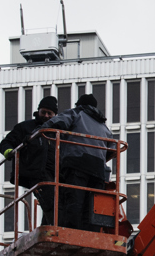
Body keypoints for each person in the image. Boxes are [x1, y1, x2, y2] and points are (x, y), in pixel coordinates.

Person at [40, 94, 112, 230]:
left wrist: (36, 133)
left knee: (74, 200)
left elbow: (55, 124)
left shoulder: (76, 113)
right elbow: (111, 149)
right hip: (98, 170)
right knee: (92, 206)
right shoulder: (103, 126)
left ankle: (70, 231)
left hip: (77, 163)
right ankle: (91, 234)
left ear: (79, 104)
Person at [0, 96, 59, 225]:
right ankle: (51, 229)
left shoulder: (57, 132)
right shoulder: (26, 127)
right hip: (34, 173)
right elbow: (5, 143)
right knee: (51, 202)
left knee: (55, 202)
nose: (46, 116)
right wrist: (9, 151)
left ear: (55, 115)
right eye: (43, 112)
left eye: (50, 113)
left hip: (53, 175)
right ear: (38, 111)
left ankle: (47, 228)